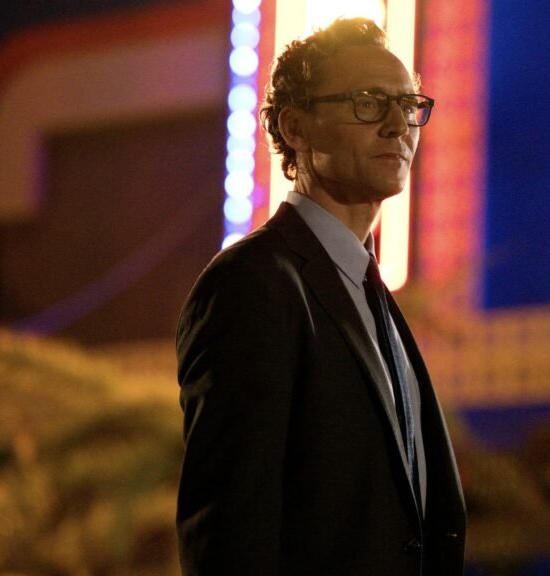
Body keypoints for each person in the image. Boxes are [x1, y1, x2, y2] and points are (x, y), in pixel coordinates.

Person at [175, 17, 466, 576]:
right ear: (295, 127)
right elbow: (230, 529)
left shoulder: (372, 296)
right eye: (367, 103)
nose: (396, 126)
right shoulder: (252, 284)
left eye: (407, 105)